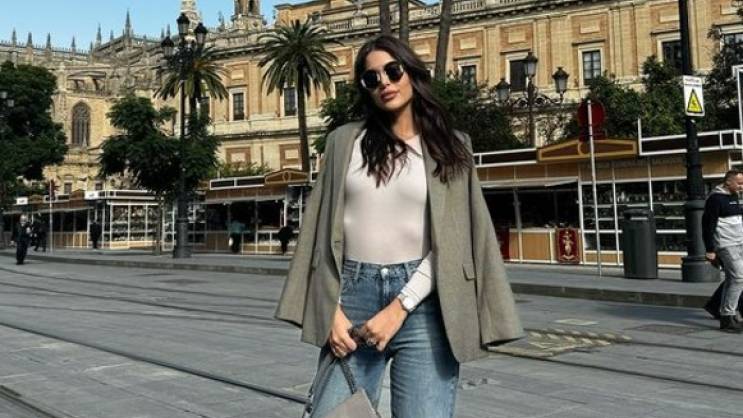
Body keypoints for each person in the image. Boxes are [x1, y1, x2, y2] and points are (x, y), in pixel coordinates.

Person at [275, 35, 523, 418]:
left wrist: (400, 306)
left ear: (412, 73)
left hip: (424, 307)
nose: (385, 83)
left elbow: (454, 241)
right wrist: (330, 310)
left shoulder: (451, 146)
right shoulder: (344, 142)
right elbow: (318, 234)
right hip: (351, 299)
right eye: (371, 78)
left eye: (393, 71)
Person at [702, 169, 743, 332]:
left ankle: (726, 314)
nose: (742, 186)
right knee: (738, 278)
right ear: (728, 182)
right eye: (739, 183)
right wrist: (710, 249)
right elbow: (708, 225)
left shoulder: (734, 196)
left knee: (733, 278)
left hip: (739, 242)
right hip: (726, 245)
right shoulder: (715, 199)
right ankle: (728, 315)